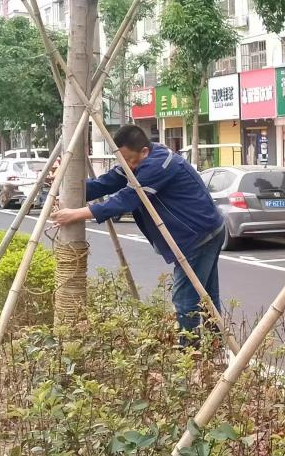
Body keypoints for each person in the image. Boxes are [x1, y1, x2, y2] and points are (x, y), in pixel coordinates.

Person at [50, 125, 226, 341]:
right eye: (123, 161)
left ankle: (190, 352)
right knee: (206, 297)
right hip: (203, 231)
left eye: (130, 160)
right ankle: (216, 347)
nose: (128, 166)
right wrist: (66, 189)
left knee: (185, 300)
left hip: (199, 236)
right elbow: (106, 183)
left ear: (144, 151)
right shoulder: (136, 160)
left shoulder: (159, 164)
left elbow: (125, 200)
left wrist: (76, 214)